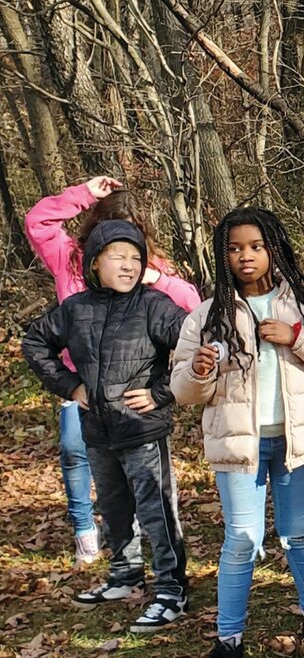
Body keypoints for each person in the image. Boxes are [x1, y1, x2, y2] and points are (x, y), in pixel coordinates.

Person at [171, 210, 304, 658]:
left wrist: (298, 337)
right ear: (223, 255)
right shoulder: (208, 314)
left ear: (274, 247)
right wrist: (200, 369)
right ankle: (228, 640)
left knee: (299, 531)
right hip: (240, 447)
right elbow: (183, 390)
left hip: (295, 441)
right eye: (235, 248)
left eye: (255, 246)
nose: (245, 256)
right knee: (241, 540)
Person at [23, 221, 189, 632]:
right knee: (114, 509)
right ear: (95, 262)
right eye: (118, 256)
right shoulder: (75, 309)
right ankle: (124, 575)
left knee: (157, 511)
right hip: (97, 430)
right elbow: (35, 343)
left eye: (136, 258)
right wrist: (70, 385)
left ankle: (172, 589)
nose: (129, 265)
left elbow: (195, 346)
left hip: (143, 431)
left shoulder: (154, 304)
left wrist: (162, 392)